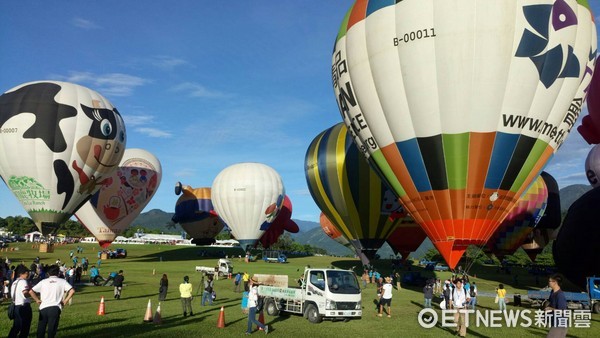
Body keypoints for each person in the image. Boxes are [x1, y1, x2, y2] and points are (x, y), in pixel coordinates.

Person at [28, 265, 75, 338]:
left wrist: (37, 300)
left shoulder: (43, 281)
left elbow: (31, 291)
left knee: (41, 329)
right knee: (52, 330)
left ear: (48, 273)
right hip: (55, 308)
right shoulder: (62, 281)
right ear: (58, 273)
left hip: (43, 307)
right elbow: (72, 291)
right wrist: (65, 301)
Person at [9, 265, 33, 338]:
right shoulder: (23, 281)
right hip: (24, 306)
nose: (28, 274)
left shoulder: (14, 282)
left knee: (16, 326)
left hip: (16, 306)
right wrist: (33, 294)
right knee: (25, 327)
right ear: (24, 273)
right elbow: (25, 293)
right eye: (27, 273)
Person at [544, 274, 568, 338]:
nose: (548, 283)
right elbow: (550, 303)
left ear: (555, 282)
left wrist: (550, 309)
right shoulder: (552, 292)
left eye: (549, 281)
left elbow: (563, 311)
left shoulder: (560, 295)